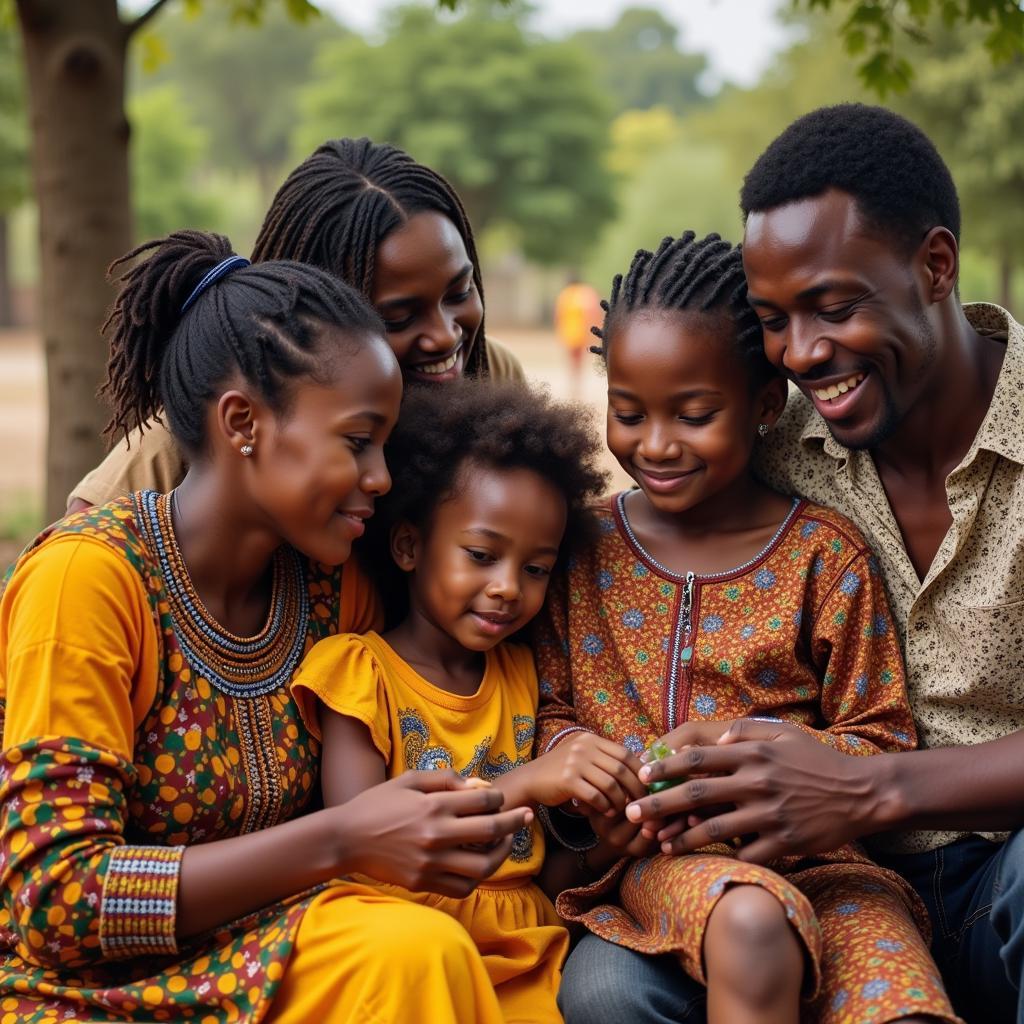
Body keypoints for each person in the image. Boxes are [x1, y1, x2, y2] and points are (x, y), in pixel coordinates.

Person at [0, 230, 535, 1023]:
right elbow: (54, 901)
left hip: (266, 950)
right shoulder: (89, 581)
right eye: (358, 442)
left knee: (424, 952)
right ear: (243, 422)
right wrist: (338, 839)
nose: (381, 479)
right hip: (87, 992)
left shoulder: (331, 592)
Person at [593, 105, 1024, 1024]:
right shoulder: (767, 447)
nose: (802, 354)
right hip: (808, 891)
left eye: (834, 308)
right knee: (616, 986)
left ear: (935, 267)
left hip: (1005, 879)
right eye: (773, 321)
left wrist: (870, 788)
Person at [537, 232, 958, 1024]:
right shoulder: (580, 550)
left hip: (831, 867)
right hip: (665, 862)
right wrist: (577, 762)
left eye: (693, 415)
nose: (654, 444)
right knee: (750, 921)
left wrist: (771, 760)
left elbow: (882, 735)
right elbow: (548, 706)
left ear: (766, 407)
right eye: (627, 413)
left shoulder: (824, 555)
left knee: (902, 1003)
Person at [291, 378, 644, 1023]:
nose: (508, 587)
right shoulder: (361, 673)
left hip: (531, 959)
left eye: (536, 568)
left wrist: (604, 848)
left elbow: (532, 877)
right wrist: (529, 782)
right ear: (409, 546)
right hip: (409, 959)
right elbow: (362, 843)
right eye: (481, 555)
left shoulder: (519, 675)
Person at [67, 137, 524, 512]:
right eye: (399, 317)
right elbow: (83, 536)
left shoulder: (490, 376)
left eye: (460, 293)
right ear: (316, 312)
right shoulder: (222, 418)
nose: (445, 335)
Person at [554, 274, 602, 395]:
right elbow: (593, 312)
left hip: (569, 332)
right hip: (581, 332)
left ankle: (574, 384)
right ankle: (577, 383)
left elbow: (558, 315)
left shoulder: (565, 294)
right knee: (579, 360)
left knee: (572, 359)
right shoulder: (586, 293)